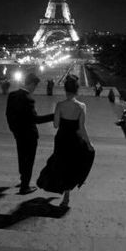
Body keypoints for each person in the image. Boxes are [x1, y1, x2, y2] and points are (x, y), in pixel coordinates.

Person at [37, 74, 95, 207]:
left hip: (61, 139)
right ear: (77, 90)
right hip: (74, 140)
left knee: (60, 164)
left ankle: (56, 186)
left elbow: (56, 125)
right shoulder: (82, 106)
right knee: (72, 166)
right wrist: (89, 143)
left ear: (65, 90)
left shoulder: (60, 105)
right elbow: (81, 129)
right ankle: (66, 197)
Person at [6, 73, 54, 195]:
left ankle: (23, 181)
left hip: (18, 134)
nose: (35, 89)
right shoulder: (28, 99)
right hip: (29, 136)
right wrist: (53, 116)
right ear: (32, 84)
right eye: (35, 86)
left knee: (21, 158)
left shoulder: (12, 95)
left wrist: (14, 130)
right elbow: (36, 120)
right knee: (29, 160)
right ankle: (25, 187)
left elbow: (8, 115)